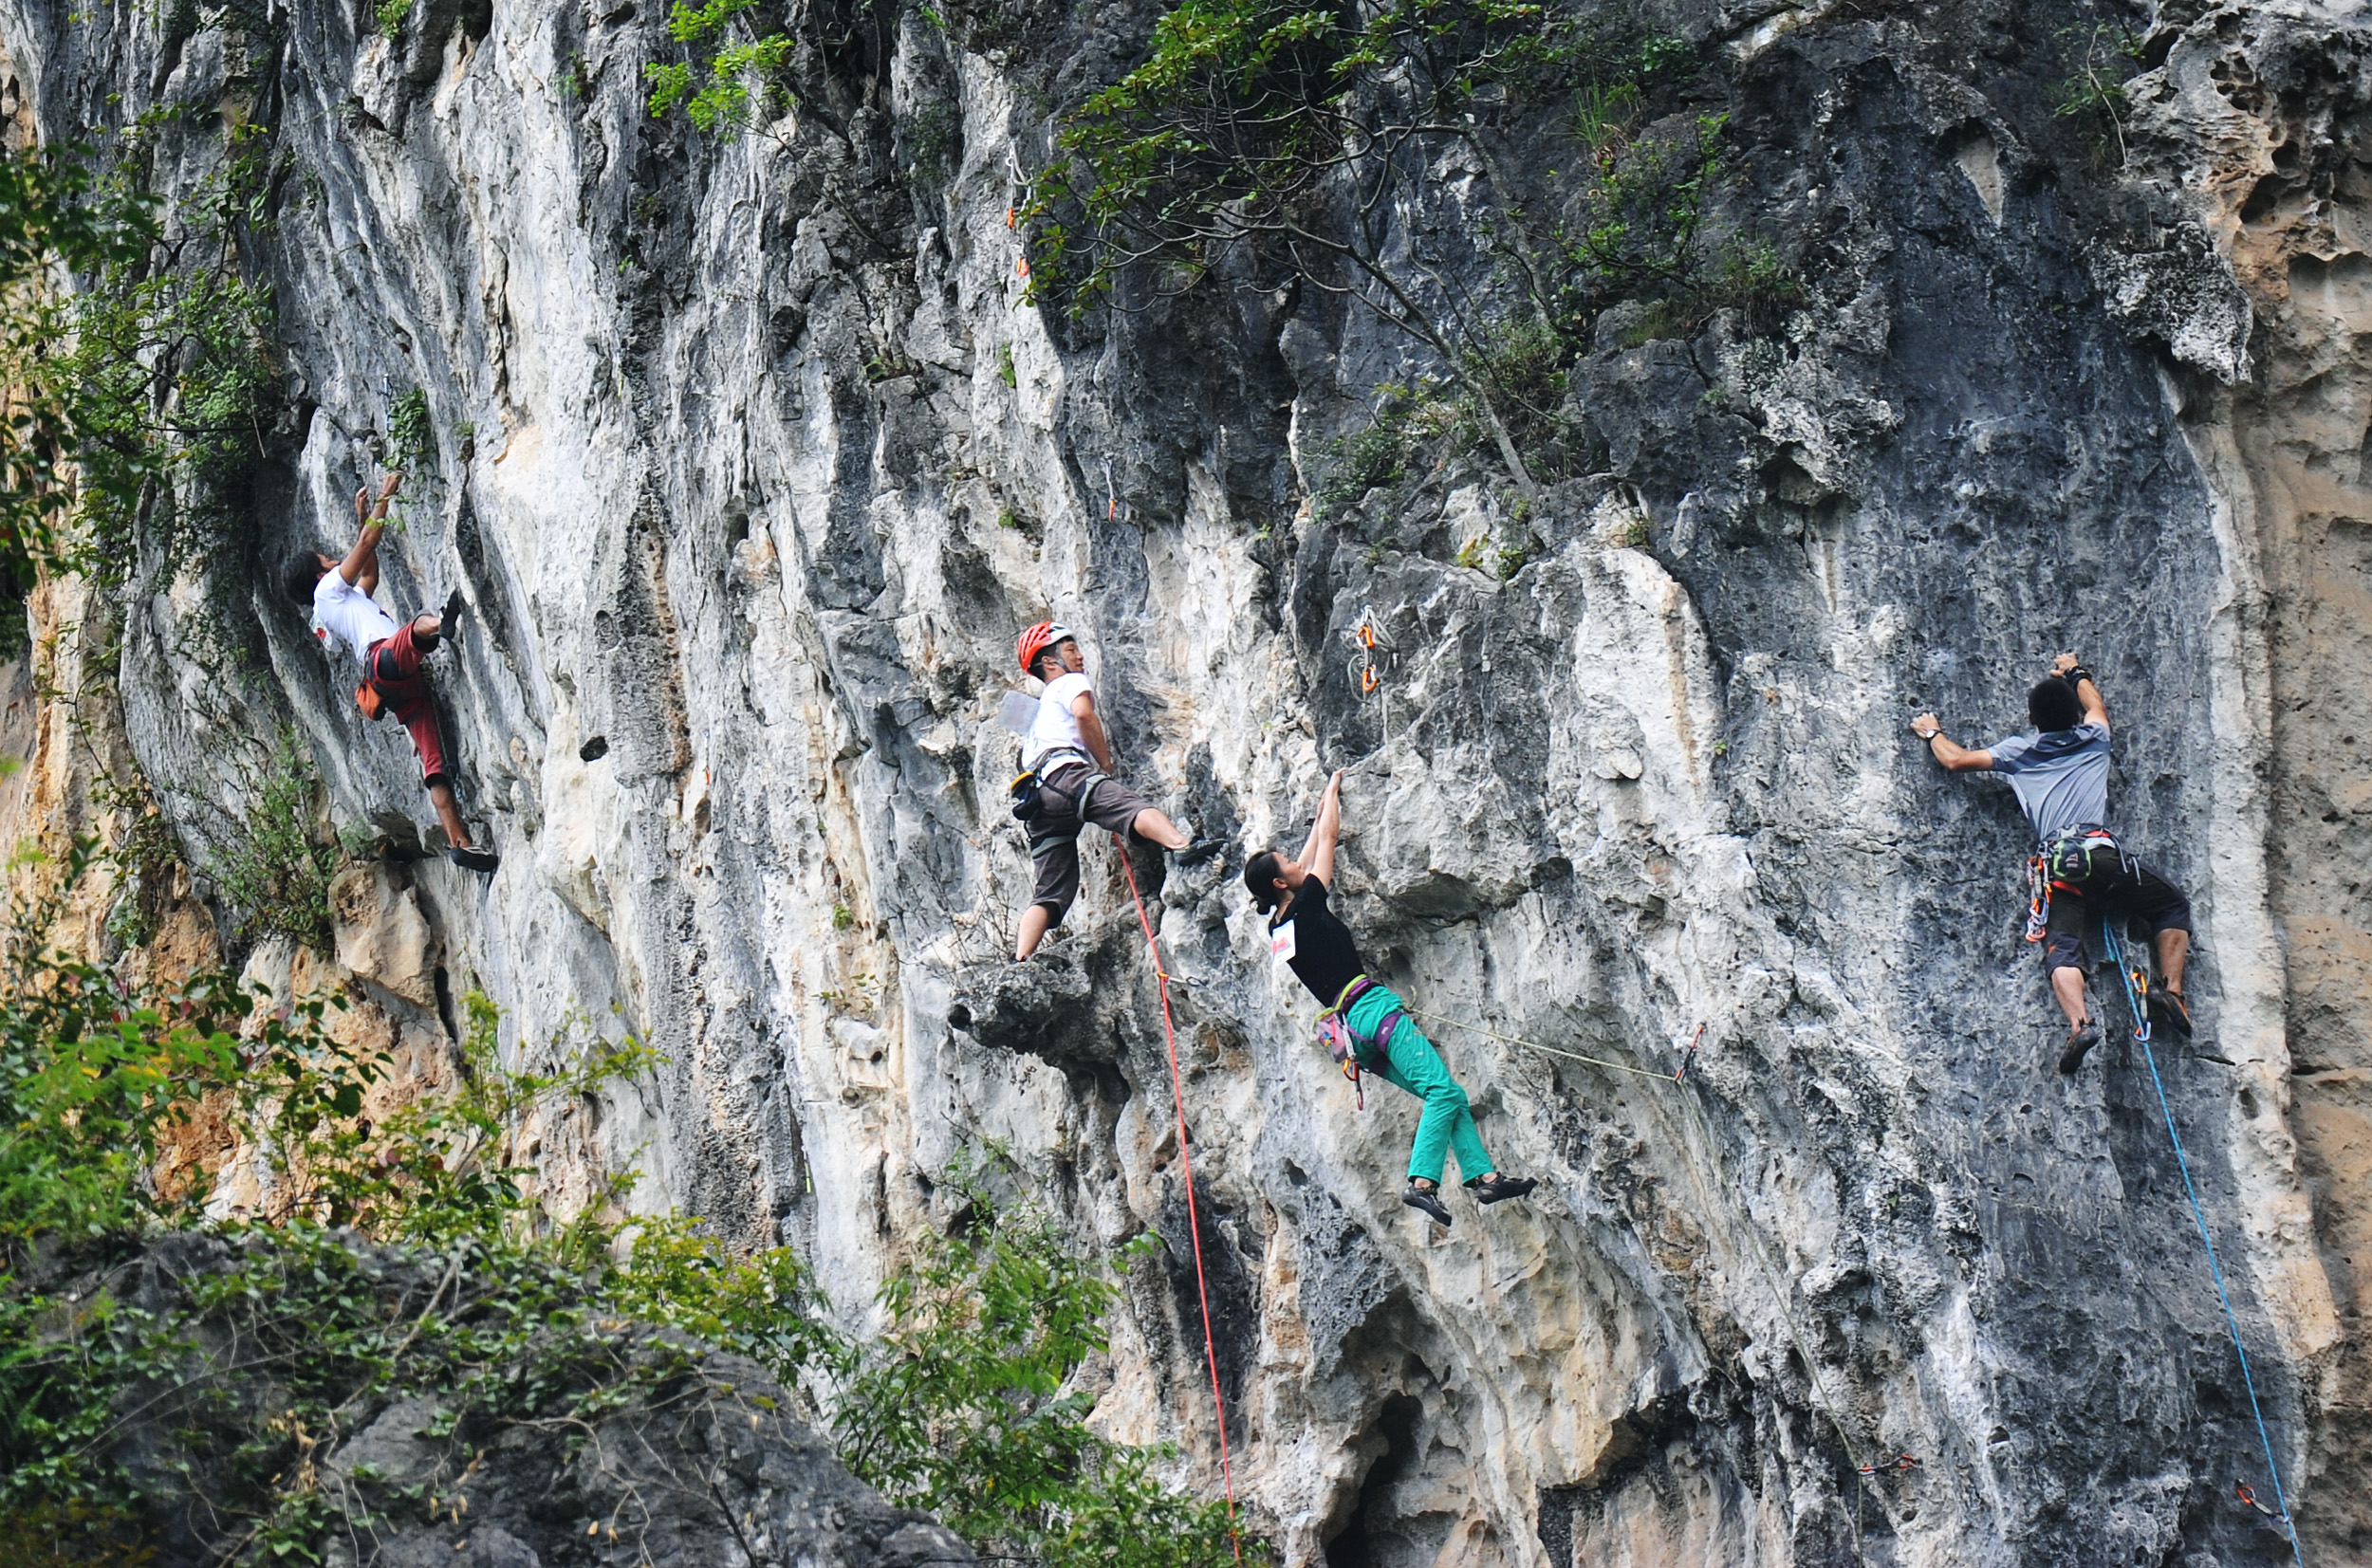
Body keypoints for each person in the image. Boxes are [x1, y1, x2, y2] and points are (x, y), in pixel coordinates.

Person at [1245, 770, 1537, 1226]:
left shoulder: (1278, 926)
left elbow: (1303, 854)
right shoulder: (1309, 901)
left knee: (1447, 1094)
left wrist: (1318, 813)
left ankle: (1484, 1178)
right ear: (1282, 883)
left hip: (1350, 1034)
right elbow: (1327, 838)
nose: (1296, 864)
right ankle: (1422, 1184)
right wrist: (1332, 794)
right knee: (1441, 1091)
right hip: (1371, 1008)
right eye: (1288, 864)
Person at [1913, 652, 2193, 1073]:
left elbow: (1955, 760)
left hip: (2057, 863)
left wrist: (1932, 732)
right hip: (2101, 853)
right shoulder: (2095, 737)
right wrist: (2075, 672)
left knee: (2062, 946)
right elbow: (2096, 706)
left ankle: (2079, 1024)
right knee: (2169, 904)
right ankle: (2171, 990)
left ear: (2031, 718)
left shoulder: (2019, 751)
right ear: (2074, 715)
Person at [282, 470, 498, 873]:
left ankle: (460, 843)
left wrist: (364, 516)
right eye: (327, 560)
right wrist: (385, 496)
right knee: (415, 627)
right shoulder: (327, 589)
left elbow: (370, 575)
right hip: (383, 661)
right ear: (319, 573)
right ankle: (440, 626)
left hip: (395, 687)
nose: (333, 561)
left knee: (434, 766)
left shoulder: (335, 604)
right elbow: (366, 546)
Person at [1010, 621, 1201, 960]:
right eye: (1070, 649)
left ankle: (1020, 958)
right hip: (1068, 775)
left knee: (1050, 890)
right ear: (1051, 663)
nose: (1080, 656)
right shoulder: (1068, 682)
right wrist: (1104, 763)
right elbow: (1084, 715)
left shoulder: (1037, 717)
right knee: (1131, 806)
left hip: (1039, 798)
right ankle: (1184, 847)